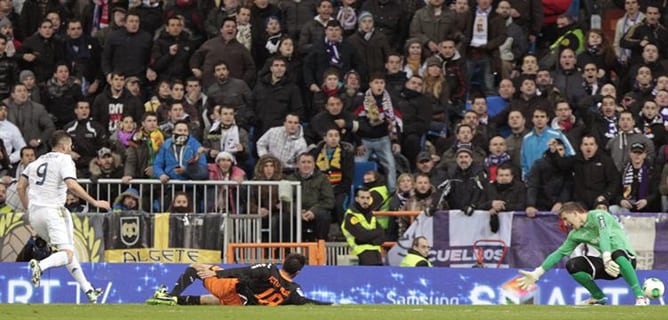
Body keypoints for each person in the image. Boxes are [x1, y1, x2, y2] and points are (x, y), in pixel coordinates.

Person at [17, 130, 110, 303]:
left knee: (67, 252)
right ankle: (40, 265)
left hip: (35, 214)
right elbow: (72, 185)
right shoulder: (65, 159)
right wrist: (95, 202)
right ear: (65, 146)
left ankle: (88, 290)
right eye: (70, 146)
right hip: (54, 211)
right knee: (67, 253)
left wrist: (28, 208)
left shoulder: (36, 162)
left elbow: (20, 186)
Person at [517, 202, 649, 306]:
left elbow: (604, 235)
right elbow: (559, 253)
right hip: (608, 265)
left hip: (626, 259)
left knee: (617, 253)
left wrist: (607, 257)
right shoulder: (575, 234)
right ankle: (598, 297)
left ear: (574, 213)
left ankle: (640, 296)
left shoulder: (598, 215)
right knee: (573, 264)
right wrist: (537, 273)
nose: (565, 223)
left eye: (565, 218)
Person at [146, 253, 330, 306]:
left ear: (283, 263)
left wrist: (217, 274)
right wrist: (327, 305)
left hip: (233, 289)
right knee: (213, 301)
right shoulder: (294, 289)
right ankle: (176, 302)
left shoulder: (269, 269)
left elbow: (243, 272)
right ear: (298, 273)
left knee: (196, 268)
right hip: (245, 304)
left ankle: (169, 296)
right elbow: (305, 301)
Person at [341, 187, 384, 266]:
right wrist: (373, 238)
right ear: (357, 199)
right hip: (360, 253)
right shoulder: (351, 216)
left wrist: (368, 240)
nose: (365, 201)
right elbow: (363, 235)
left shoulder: (370, 214)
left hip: (376, 253)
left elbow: (382, 233)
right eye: (362, 198)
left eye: (368, 198)